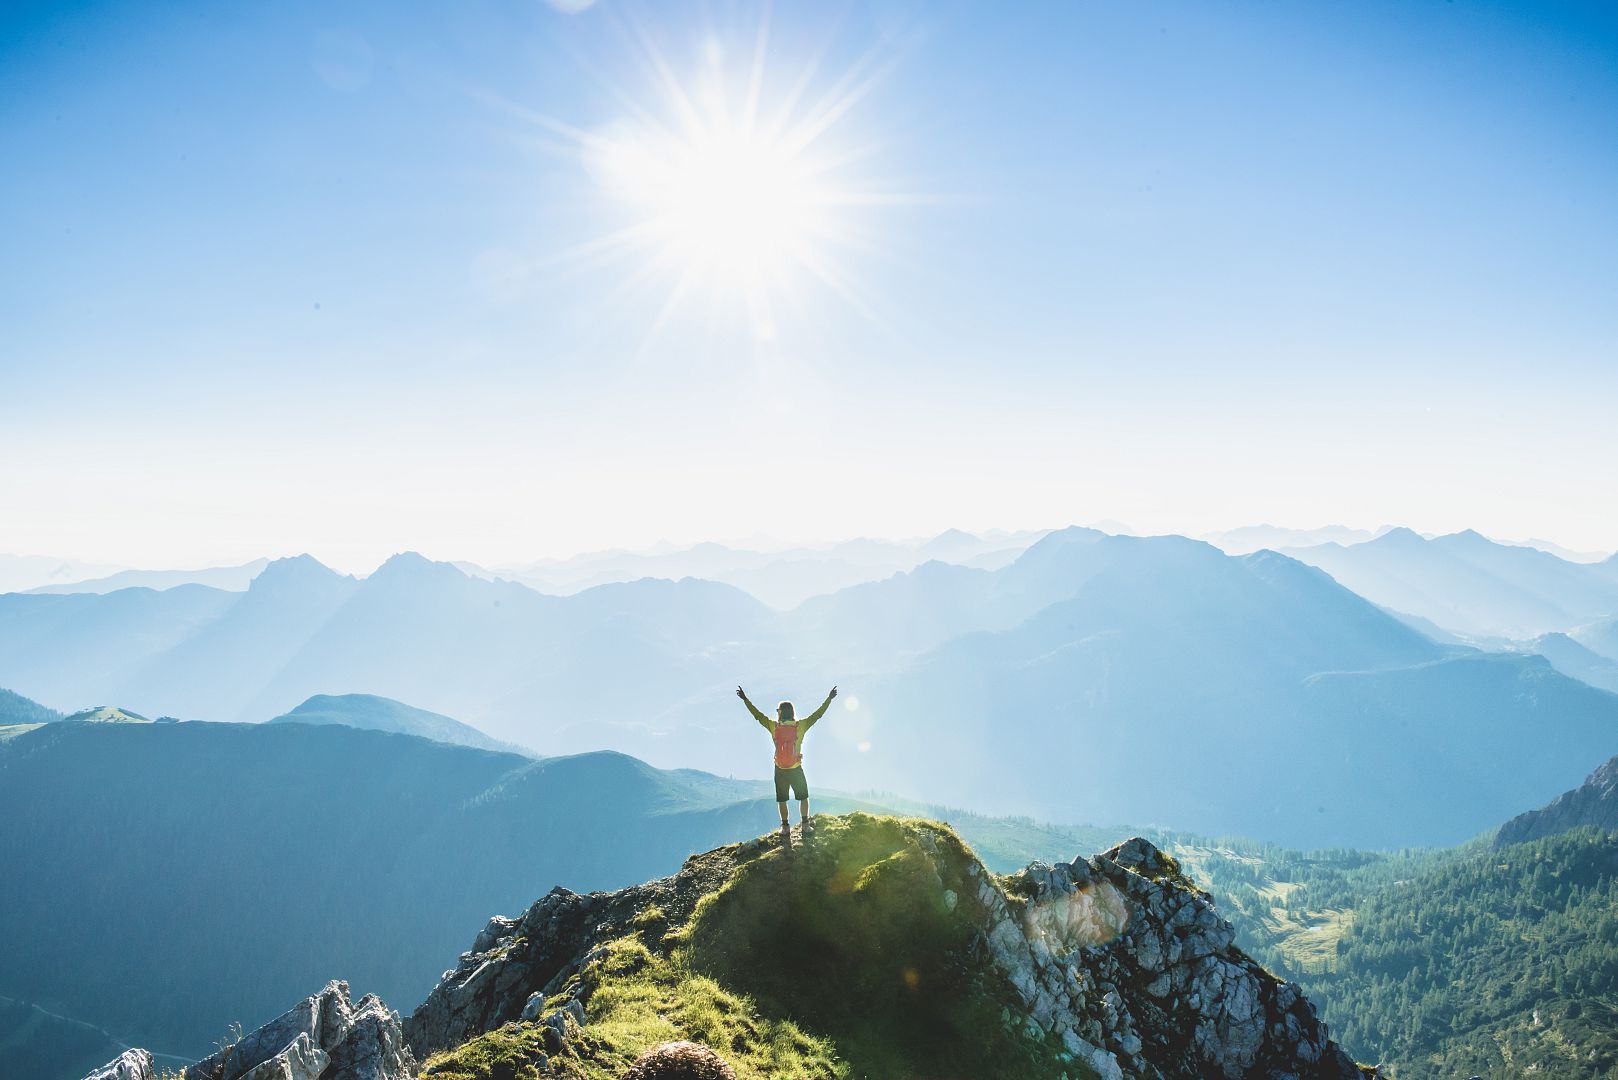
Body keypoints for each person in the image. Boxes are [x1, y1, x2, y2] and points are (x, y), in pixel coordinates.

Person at [737, 684, 837, 840]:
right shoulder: (800, 726)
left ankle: (785, 827)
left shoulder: (773, 726)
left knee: (782, 799)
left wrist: (745, 699)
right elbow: (818, 715)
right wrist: (829, 699)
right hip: (796, 768)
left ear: (780, 713)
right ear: (792, 713)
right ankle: (805, 824)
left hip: (780, 768)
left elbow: (757, 715)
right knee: (803, 797)